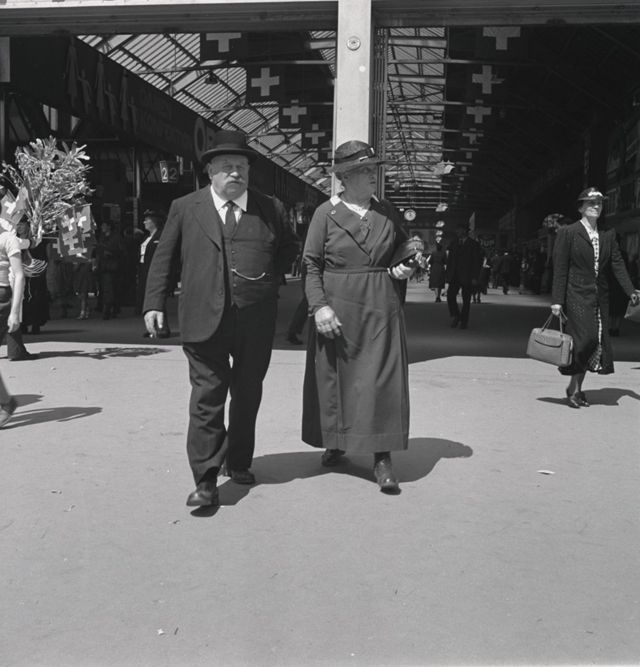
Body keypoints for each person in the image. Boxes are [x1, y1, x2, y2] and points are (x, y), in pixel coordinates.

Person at [143, 130, 299, 508]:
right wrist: (153, 303)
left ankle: (239, 460)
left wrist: (266, 280)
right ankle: (206, 478)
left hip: (255, 319)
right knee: (207, 397)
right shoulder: (186, 207)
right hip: (202, 317)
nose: (235, 173)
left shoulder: (270, 208)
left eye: (241, 166)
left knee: (247, 392)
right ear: (210, 171)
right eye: (227, 166)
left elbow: (288, 248)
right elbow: (164, 258)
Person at [301, 139, 414, 493]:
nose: (372, 176)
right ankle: (335, 441)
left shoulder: (388, 211)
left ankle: (382, 458)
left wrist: (407, 266)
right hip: (337, 307)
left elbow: (404, 248)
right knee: (336, 379)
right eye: (364, 170)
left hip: (381, 306)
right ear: (345, 178)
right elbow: (311, 264)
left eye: (373, 169)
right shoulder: (325, 213)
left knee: (382, 381)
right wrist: (319, 306)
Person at [551, 186, 640, 408]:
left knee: (594, 343)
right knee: (586, 339)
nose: (596, 207)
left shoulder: (607, 234)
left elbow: (617, 264)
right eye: (591, 203)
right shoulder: (568, 233)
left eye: (599, 203)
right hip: (575, 294)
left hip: (600, 297)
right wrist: (557, 301)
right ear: (581, 208)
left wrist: (631, 291)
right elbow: (560, 268)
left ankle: (575, 388)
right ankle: (573, 387)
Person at [0, 229, 25, 427]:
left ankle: (7, 403)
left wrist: (15, 312)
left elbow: (19, 275)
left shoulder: (8, 239)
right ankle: (7, 402)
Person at [137, 209, 172, 338]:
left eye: (147, 220)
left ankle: (162, 327)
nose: (144, 222)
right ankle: (151, 326)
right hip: (144, 270)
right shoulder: (147, 237)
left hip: (154, 270)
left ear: (154, 221)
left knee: (157, 299)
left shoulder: (161, 236)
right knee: (148, 298)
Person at [446, 225, 482, 329]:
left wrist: (475, 277)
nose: (457, 232)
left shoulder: (473, 244)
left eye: (459, 230)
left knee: (466, 300)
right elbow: (450, 260)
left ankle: (464, 321)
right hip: (455, 275)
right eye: (457, 230)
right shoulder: (453, 243)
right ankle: (456, 315)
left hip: (468, 275)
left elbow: (477, 261)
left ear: (465, 231)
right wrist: (448, 274)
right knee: (450, 296)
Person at [95, 220, 125, 320]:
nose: (102, 227)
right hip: (103, 266)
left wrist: (111, 253)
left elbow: (122, 251)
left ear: (109, 226)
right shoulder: (102, 238)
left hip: (112, 266)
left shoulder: (116, 238)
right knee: (105, 288)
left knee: (110, 288)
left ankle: (108, 309)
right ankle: (111, 308)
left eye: (104, 225)